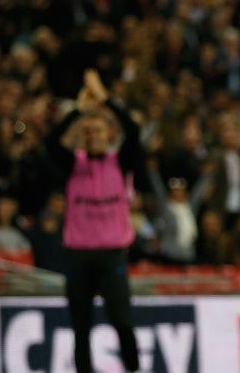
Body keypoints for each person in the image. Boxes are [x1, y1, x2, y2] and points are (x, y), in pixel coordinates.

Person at [48, 70, 142, 373]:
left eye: (98, 131)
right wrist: (78, 110)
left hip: (112, 253)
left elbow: (134, 130)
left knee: (122, 320)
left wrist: (105, 100)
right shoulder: (72, 166)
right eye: (87, 132)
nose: (92, 136)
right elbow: (50, 141)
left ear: (108, 135)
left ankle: (133, 369)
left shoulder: (121, 162)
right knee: (80, 326)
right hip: (78, 255)